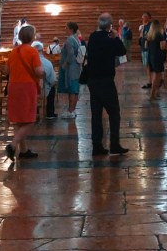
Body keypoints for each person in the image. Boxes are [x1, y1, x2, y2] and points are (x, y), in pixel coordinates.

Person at [84, 13, 129, 157]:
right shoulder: (109, 40)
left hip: (92, 80)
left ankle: (96, 146)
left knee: (96, 114)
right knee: (114, 113)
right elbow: (122, 51)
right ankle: (114, 144)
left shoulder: (92, 37)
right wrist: (115, 37)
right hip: (105, 80)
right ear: (110, 25)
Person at [4, 24, 44, 161]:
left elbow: (6, 71)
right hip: (27, 86)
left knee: (19, 119)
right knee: (29, 119)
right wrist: (44, 73)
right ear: (32, 37)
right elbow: (38, 71)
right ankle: (13, 144)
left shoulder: (13, 52)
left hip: (13, 85)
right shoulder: (33, 52)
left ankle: (24, 150)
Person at [58, 21, 82, 119]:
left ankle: (70, 111)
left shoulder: (69, 40)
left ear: (71, 29)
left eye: (66, 27)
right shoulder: (76, 39)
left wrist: (64, 64)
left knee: (71, 89)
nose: (65, 29)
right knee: (75, 89)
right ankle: (73, 109)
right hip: (76, 67)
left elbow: (70, 54)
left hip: (70, 68)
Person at [33, 40, 57, 120]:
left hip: (29, 88)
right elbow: (52, 80)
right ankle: (50, 113)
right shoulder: (47, 63)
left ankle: (34, 111)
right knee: (52, 86)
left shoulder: (28, 62)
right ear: (42, 51)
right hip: (43, 88)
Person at [146, 19, 167, 99]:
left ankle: (157, 92)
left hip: (151, 56)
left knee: (157, 75)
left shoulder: (150, 35)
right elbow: (162, 47)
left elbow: (146, 46)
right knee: (157, 76)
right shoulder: (159, 35)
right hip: (158, 57)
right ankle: (152, 95)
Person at [139, 11, 152, 88]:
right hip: (144, 48)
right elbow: (141, 36)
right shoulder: (143, 26)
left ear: (149, 18)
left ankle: (151, 81)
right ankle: (150, 81)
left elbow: (150, 36)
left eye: (145, 16)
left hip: (149, 48)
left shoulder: (150, 26)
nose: (143, 17)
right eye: (142, 16)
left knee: (149, 65)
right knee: (147, 66)